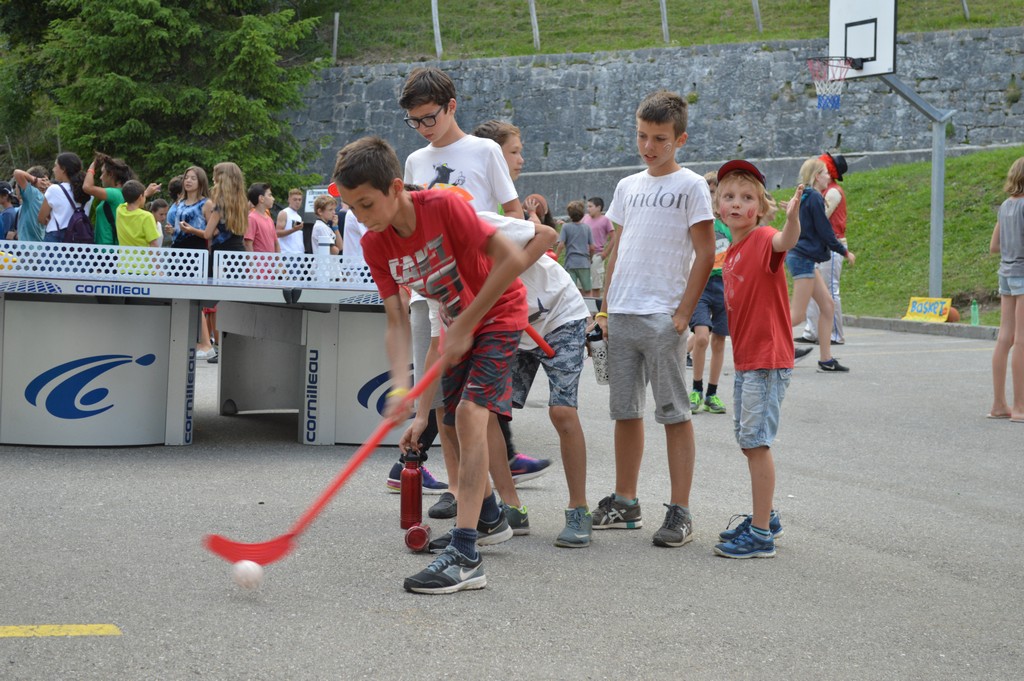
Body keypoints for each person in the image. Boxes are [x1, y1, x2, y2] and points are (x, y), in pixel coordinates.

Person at [333, 135, 536, 594]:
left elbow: (511, 259)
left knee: (469, 414)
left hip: (500, 313)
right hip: (457, 322)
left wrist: (467, 320)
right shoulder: (375, 246)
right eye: (352, 209)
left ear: (396, 187)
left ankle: (466, 555)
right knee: (445, 419)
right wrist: (399, 387)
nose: (362, 219)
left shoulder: (444, 209)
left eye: (367, 204)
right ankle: (488, 517)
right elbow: (396, 320)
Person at [398, 67, 529, 518]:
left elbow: (513, 217)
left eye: (429, 118)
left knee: (478, 404)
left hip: (478, 290)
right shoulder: (415, 161)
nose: (422, 128)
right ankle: (457, 489)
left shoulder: (484, 150)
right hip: (429, 295)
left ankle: (494, 498)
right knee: (438, 400)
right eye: (414, 121)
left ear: (452, 106)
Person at [592, 89, 715, 547]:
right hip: (622, 313)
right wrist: (604, 309)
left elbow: (705, 253)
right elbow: (616, 248)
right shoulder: (628, 186)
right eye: (643, 136)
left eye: (660, 138)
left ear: (679, 139)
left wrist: (682, 314)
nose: (649, 146)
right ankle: (626, 501)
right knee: (625, 412)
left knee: (674, 413)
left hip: (663, 317)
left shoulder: (691, 186)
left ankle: (680, 511)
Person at [714, 160, 803, 558]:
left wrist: (794, 218)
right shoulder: (731, 251)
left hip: (767, 359)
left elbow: (787, 240)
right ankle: (766, 515)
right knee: (747, 440)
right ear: (718, 205)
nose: (736, 204)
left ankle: (763, 535)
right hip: (748, 358)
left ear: (762, 207)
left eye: (746, 198)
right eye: (729, 197)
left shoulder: (765, 236)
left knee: (756, 442)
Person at [788, 157, 855, 372]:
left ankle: (826, 359)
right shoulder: (814, 197)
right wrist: (844, 251)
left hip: (804, 257)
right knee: (796, 315)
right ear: (817, 176)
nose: (829, 176)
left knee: (827, 306)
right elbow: (824, 230)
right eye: (826, 173)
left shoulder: (805, 196)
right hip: (803, 258)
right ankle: (769, 346)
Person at [688, 171, 732, 415]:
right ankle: (696, 388)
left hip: (724, 286)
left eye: (717, 193)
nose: (713, 197)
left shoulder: (728, 225)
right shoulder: (698, 221)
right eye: (710, 192)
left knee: (719, 341)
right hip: (702, 285)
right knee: (702, 337)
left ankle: (712, 394)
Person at [799, 152, 850, 345]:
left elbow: (821, 218)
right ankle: (811, 332)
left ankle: (835, 334)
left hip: (833, 245)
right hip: (821, 246)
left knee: (830, 290)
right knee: (815, 291)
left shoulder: (833, 192)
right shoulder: (818, 194)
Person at [989, 156, 1024, 422]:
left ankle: (999, 404)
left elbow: (995, 246)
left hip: (1006, 274)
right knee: (1022, 340)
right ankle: (1021, 408)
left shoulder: (1005, 206)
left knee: (1005, 338)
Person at [171, 166, 217, 362]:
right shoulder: (180, 202)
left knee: (194, 300)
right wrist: (172, 231)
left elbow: (212, 232)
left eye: (193, 178)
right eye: (186, 178)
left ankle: (206, 344)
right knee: (179, 297)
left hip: (196, 252)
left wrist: (192, 231)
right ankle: (189, 339)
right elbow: (178, 229)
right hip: (177, 251)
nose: (188, 181)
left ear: (201, 182)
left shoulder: (206, 204)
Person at [37, 152, 90, 243]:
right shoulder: (87, 191)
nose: (53, 169)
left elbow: (41, 218)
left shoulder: (54, 189)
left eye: (55, 166)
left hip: (56, 237)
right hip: (80, 237)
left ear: (63, 169)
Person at [83, 153, 132, 245]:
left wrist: (92, 167)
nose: (100, 177)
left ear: (111, 175)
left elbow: (87, 187)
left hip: (107, 251)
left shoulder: (115, 193)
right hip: (110, 249)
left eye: (102, 173)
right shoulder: (122, 193)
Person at [554, 199, 595, 293]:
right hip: (584, 263)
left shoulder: (566, 227)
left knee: (571, 289)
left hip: (570, 262)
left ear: (569, 214)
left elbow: (561, 245)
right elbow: (592, 247)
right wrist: (590, 258)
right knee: (588, 290)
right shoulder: (587, 228)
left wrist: (555, 257)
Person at [114, 180, 162, 247]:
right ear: (140, 197)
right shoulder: (146, 216)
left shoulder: (119, 210)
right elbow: (153, 244)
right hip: (142, 257)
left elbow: (129, 200)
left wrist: (143, 194)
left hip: (124, 257)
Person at [583, 196, 614, 297]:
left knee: (595, 285)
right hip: (583, 255)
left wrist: (605, 253)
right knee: (582, 284)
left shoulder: (605, 220)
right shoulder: (585, 218)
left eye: (590, 206)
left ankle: (595, 311)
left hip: (596, 255)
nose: (588, 209)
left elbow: (614, 237)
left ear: (598, 207)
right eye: (588, 206)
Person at [11, 166, 50, 242]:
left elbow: (17, 173)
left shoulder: (33, 195)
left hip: (28, 248)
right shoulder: (45, 197)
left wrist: (34, 180)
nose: (17, 187)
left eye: (18, 184)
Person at [244, 183, 281, 253]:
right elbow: (248, 244)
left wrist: (279, 262)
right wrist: (251, 263)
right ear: (261, 198)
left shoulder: (270, 219)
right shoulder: (251, 218)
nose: (273, 198)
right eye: (270, 195)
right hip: (258, 263)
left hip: (271, 263)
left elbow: (276, 243)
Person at [276, 188, 306, 253]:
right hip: (287, 253)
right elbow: (277, 233)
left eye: (299, 200)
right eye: (295, 199)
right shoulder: (284, 213)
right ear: (289, 200)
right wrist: (293, 230)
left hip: (298, 253)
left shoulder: (298, 217)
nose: (297, 202)